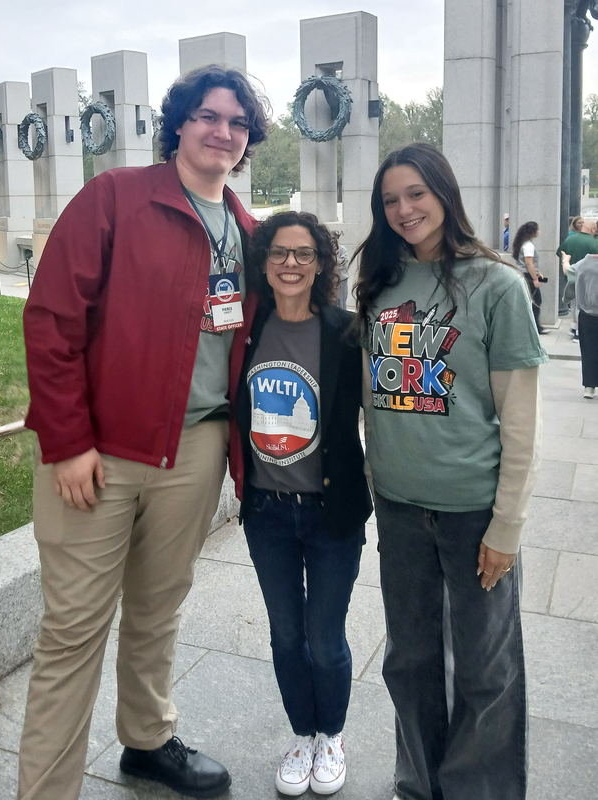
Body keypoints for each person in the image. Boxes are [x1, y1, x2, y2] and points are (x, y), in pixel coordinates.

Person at [20, 65, 270, 800]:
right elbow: (52, 321)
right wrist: (66, 442)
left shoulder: (250, 231)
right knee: (72, 634)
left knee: (159, 608)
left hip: (193, 449)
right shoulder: (116, 198)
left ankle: (148, 738)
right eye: (207, 116)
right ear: (178, 124)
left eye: (236, 122)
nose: (221, 131)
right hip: (97, 452)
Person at [355, 142, 548, 800]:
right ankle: (419, 785)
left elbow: (519, 419)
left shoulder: (495, 283)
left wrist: (507, 525)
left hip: (473, 515)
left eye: (415, 193)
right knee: (408, 664)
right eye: (390, 200)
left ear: (443, 193)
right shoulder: (378, 284)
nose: (404, 209)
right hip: (402, 512)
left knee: (482, 671)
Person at [231, 211, 372, 796]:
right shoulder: (246, 331)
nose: (291, 264)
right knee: (286, 635)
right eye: (280, 254)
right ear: (264, 263)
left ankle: (332, 734)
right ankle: (303, 734)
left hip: (330, 513)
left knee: (325, 635)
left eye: (304, 254)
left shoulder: (347, 332)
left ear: (321, 265)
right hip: (267, 513)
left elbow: (382, 415)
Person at [562, 251, 598, 398]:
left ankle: (589, 387)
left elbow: (568, 272)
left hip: (587, 314)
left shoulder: (582, 264)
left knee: (588, 350)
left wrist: (565, 260)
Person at [558, 217, 598, 340]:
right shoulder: (594, 244)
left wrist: (565, 260)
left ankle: (575, 330)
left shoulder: (569, 240)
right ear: (592, 229)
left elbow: (562, 255)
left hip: (575, 281)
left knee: (576, 306)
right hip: (593, 289)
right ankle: (576, 332)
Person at [512, 220, 547, 334]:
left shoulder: (523, 244)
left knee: (532, 301)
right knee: (536, 301)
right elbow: (529, 263)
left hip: (525, 275)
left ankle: (534, 326)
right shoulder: (529, 246)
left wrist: (537, 273)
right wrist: (535, 278)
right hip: (528, 276)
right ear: (534, 231)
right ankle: (535, 327)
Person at [331, 229, 351, 309]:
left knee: (341, 301)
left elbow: (344, 262)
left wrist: (334, 258)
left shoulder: (342, 249)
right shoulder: (327, 251)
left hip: (342, 279)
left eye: (334, 240)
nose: (332, 242)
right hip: (331, 280)